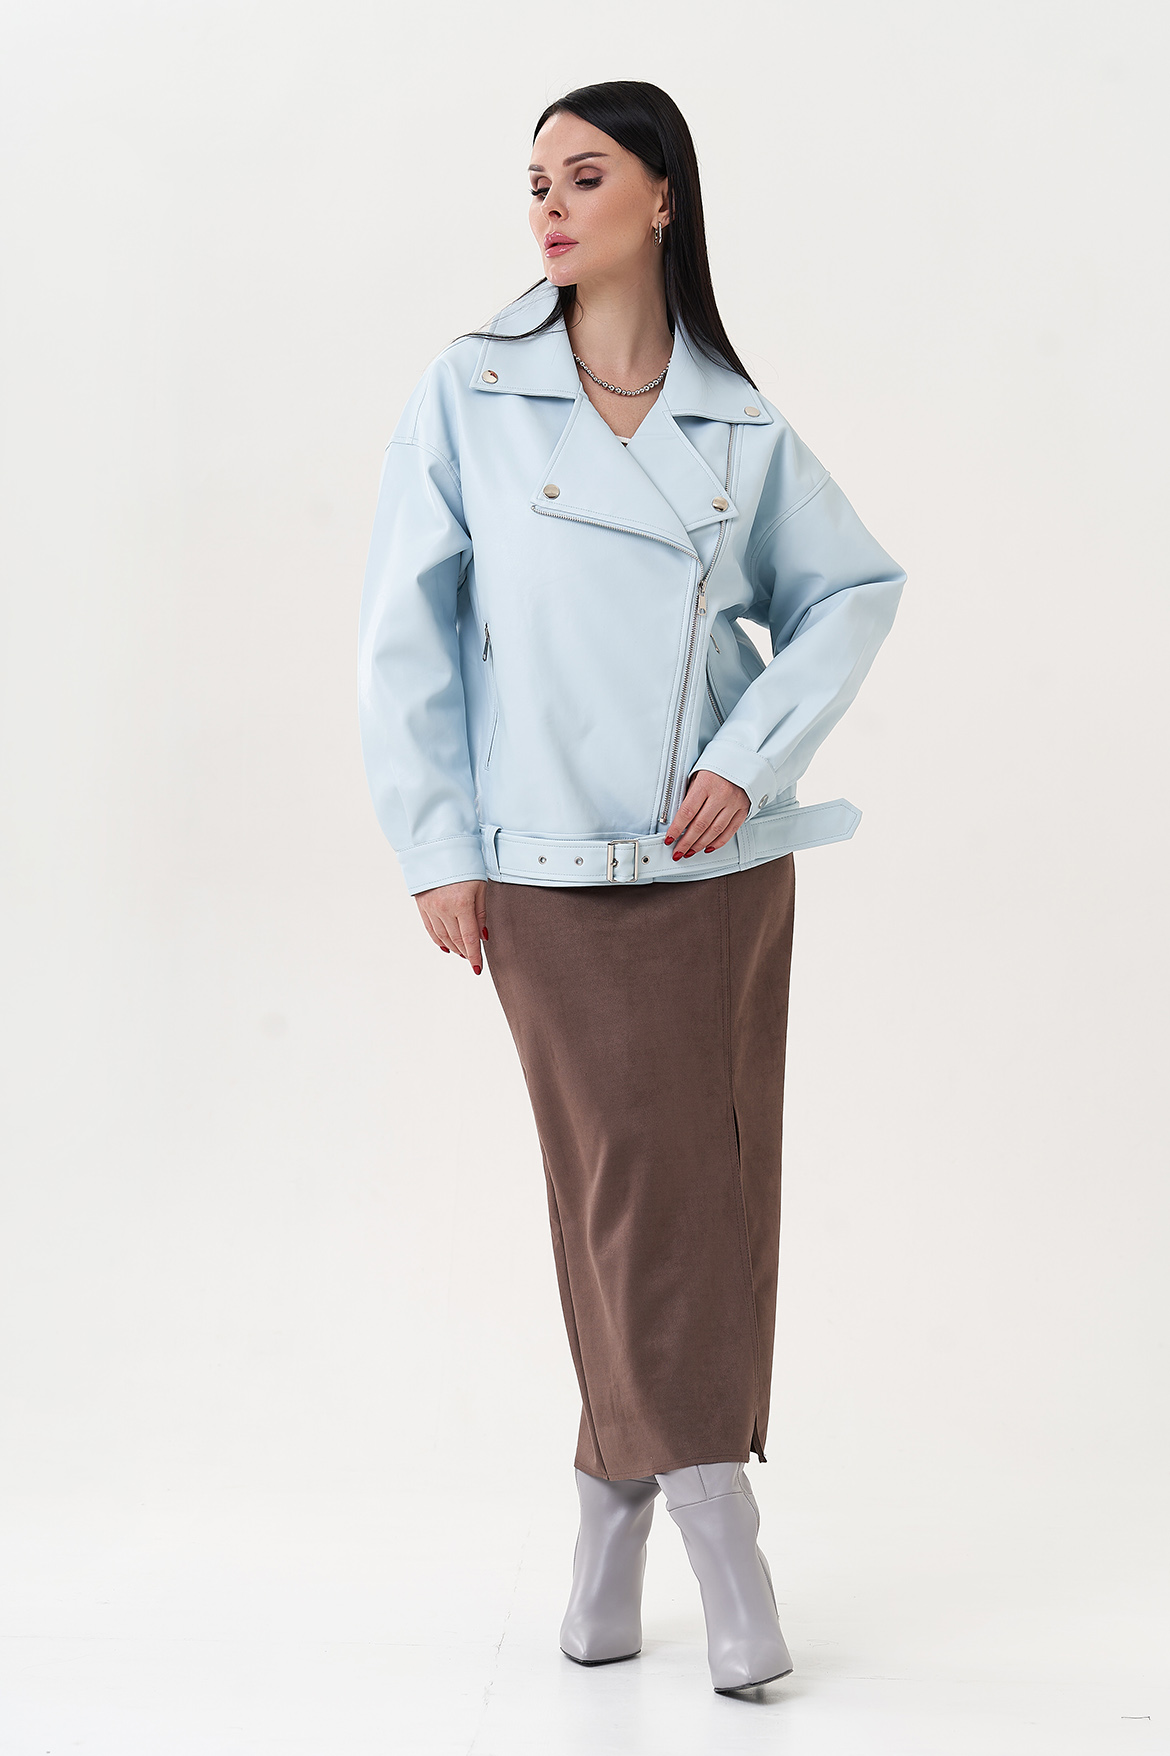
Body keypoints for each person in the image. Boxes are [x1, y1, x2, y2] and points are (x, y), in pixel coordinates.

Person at [358, 79, 905, 1693]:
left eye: (583, 175)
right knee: (626, 1190)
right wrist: (436, 845)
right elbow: (404, 634)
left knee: (704, 1190)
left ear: (661, 196)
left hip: (709, 864)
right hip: (538, 869)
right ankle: (708, 1519)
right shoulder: (470, 389)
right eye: (533, 180)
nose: (547, 204)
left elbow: (851, 592)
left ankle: (619, 1521)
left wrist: (750, 751)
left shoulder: (736, 419)